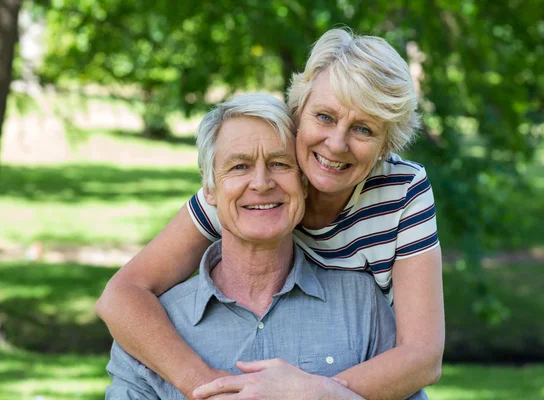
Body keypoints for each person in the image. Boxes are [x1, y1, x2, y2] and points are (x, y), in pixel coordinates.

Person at [96, 28, 444, 400]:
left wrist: (314, 393)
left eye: (363, 129)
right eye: (324, 117)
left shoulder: (400, 190)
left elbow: (422, 355)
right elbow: (121, 295)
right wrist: (209, 387)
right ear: (298, 113)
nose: (336, 144)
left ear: (384, 146)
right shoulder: (248, 192)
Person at [105, 93, 401, 399]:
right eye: (239, 167)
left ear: (303, 182)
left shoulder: (362, 306)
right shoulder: (152, 329)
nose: (261, 183)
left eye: (279, 163)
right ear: (209, 187)